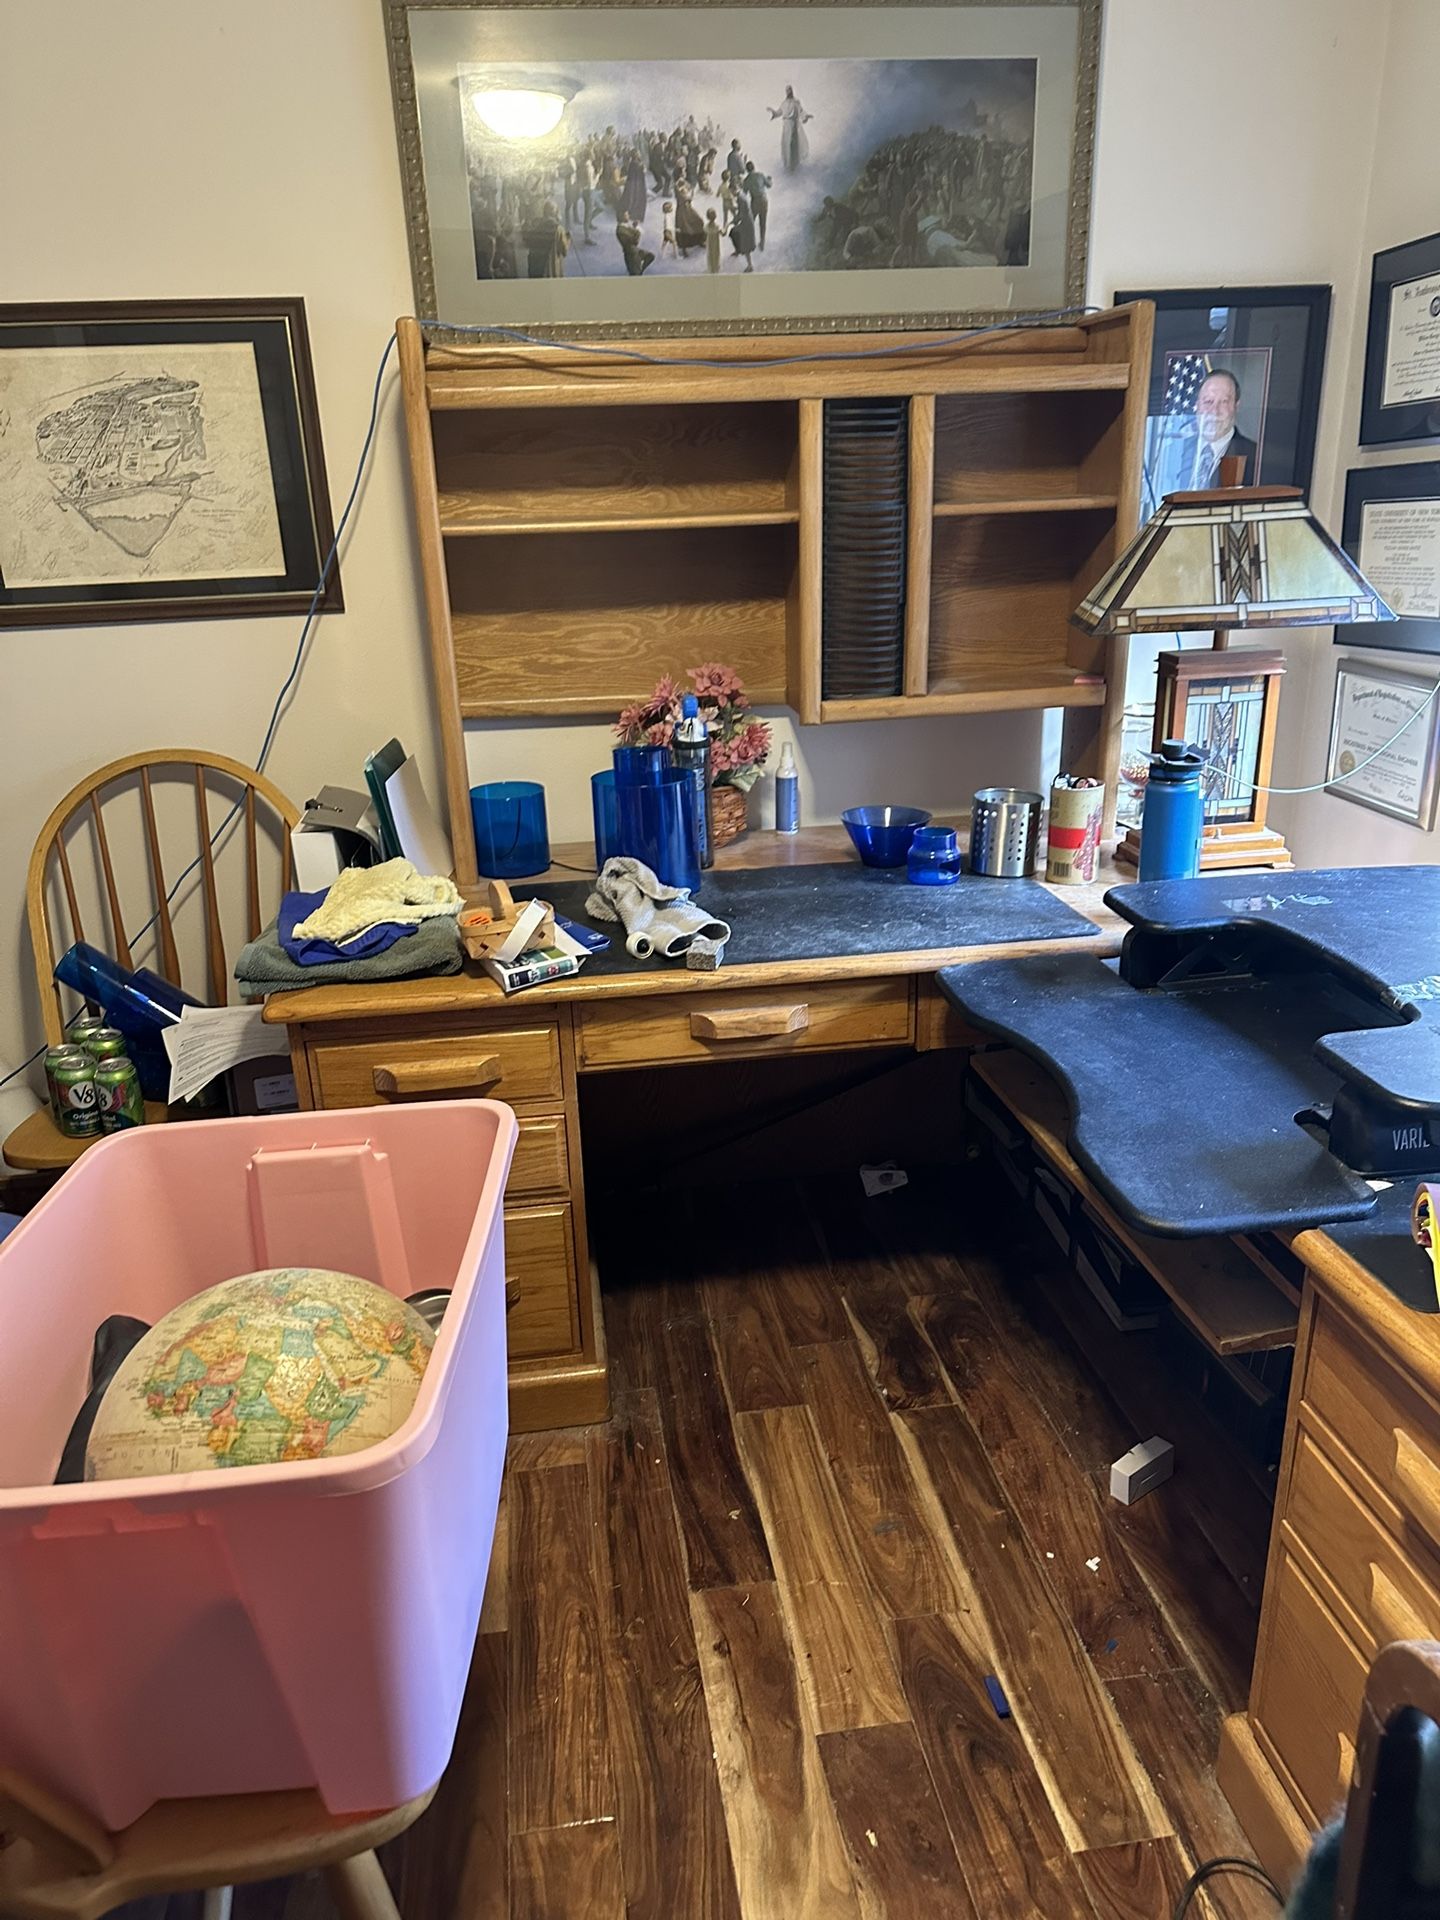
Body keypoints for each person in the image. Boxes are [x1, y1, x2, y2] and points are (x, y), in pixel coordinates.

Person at [1189, 368, 1258, 486]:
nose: (1214, 411)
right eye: (1208, 401)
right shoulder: (1175, 451)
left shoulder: (1255, 457)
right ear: (1197, 406)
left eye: (1224, 402)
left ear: (1236, 406)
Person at [768, 85, 813, 171]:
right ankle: (788, 164)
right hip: (786, 126)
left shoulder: (796, 102)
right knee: (786, 144)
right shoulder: (784, 103)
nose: (788, 92)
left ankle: (795, 164)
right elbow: (779, 112)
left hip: (794, 125)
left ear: (792, 91)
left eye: (790, 90)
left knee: (794, 144)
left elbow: (801, 111)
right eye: (787, 91)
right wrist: (773, 112)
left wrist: (806, 116)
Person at [522, 201, 568, 279]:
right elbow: (564, 251)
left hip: (535, 268)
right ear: (555, 212)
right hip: (550, 269)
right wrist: (568, 239)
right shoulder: (558, 229)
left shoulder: (535, 224)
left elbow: (527, 242)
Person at [743, 162, 772, 250]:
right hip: (764, 200)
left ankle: (750, 242)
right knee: (763, 222)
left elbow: (744, 192)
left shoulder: (747, 179)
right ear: (754, 168)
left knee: (751, 221)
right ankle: (762, 243)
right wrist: (769, 179)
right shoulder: (760, 175)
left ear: (747, 170)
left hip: (755, 201)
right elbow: (769, 185)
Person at [674, 181, 705, 257]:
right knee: (685, 229)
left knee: (699, 221)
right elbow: (682, 193)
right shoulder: (679, 193)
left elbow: (690, 187)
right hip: (682, 212)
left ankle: (700, 241)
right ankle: (684, 248)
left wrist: (689, 189)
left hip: (689, 209)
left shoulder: (684, 187)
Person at [729, 191, 757, 271]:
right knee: (733, 233)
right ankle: (737, 250)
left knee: (746, 245)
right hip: (747, 221)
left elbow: (741, 214)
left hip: (746, 224)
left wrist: (733, 221)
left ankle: (750, 265)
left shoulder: (740, 199)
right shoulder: (742, 195)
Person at [704, 205, 724, 274]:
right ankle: (716, 268)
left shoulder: (706, 227)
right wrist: (726, 227)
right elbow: (723, 233)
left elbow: (705, 233)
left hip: (709, 243)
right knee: (716, 254)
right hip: (716, 243)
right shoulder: (717, 227)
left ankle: (711, 268)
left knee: (710, 255)